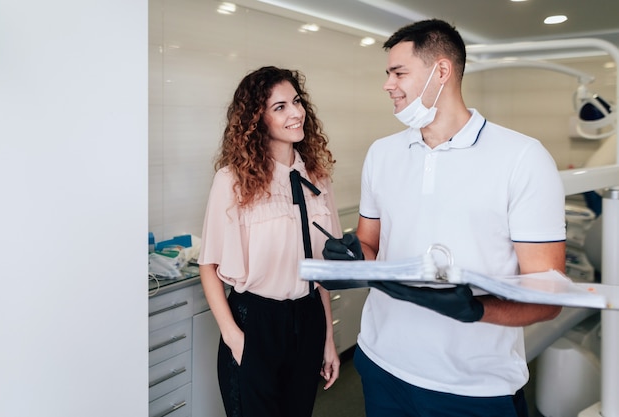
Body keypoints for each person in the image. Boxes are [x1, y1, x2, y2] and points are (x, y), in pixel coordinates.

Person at [323, 19, 566, 416]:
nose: (388, 84)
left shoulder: (522, 158)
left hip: (472, 388)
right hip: (381, 365)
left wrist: (477, 309)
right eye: (387, 74)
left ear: (441, 71)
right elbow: (370, 245)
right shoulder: (382, 154)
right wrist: (352, 259)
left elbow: (549, 294)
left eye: (398, 72)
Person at [198, 66, 341, 417]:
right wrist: (234, 338)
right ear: (256, 119)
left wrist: (327, 340)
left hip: (308, 319)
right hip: (255, 321)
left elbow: (320, 271)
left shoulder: (317, 179)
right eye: (279, 107)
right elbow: (209, 265)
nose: (295, 113)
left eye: (296, 101)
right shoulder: (232, 180)